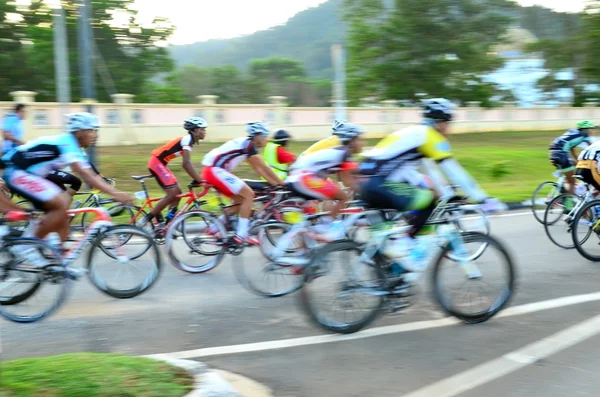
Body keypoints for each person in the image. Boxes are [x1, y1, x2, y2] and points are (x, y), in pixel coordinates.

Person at [359, 98, 504, 277]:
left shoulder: (416, 134)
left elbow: (430, 174)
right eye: (449, 123)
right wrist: (483, 199)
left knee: (420, 208)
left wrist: (447, 194)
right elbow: (453, 170)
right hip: (379, 185)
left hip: (366, 184)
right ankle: (403, 246)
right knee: (428, 201)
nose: (449, 128)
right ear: (440, 122)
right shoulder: (429, 135)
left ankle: (392, 277)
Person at [1, 112, 132, 261]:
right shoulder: (67, 143)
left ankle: (58, 259)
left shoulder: (76, 149)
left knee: (62, 209)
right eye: (91, 130)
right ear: (78, 132)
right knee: (59, 205)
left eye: (95, 130)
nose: (95, 134)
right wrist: (116, 194)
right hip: (17, 173)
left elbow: (91, 173)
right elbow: (85, 174)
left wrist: (113, 190)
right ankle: (25, 248)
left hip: (29, 175)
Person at [201, 121, 285, 245]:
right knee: (249, 195)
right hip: (215, 171)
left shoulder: (246, 145)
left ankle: (213, 229)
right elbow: (265, 167)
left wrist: (274, 184)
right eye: (265, 136)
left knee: (240, 201)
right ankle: (242, 235)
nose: (266, 140)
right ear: (258, 136)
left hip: (213, 171)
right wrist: (282, 184)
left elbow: (258, 169)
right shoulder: (248, 146)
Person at [285, 120, 363, 241]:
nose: (363, 143)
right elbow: (347, 180)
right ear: (352, 140)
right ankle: (326, 224)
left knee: (308, 222)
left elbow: (351, 171)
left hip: (297, 176)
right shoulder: (344, 152)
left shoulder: (339, 149)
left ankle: (305, 251)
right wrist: (366, 191)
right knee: (342, 196)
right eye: (360, 139)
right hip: (304, 177)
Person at [139, 117, 207, 233]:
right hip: (156, 163)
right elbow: (186, 164)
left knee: (178, 193)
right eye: (203, 129)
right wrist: (200, 180)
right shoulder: (187, 140)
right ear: (195, 130)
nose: (205, 132)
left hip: (160, 163)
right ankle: (144, 220)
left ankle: (167, 225)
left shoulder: (188, 141)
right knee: (172, 194)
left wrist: (198, 179)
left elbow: (187, 165)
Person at [549, 121, 596, 195]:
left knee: (573, 164)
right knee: (572, 182)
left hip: (553, 152)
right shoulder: (584, 135)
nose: (592, 131)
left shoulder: (573, 132)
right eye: (591, 129)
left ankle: (562, 187)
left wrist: (578, 161)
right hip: (562, 154)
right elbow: (593, 147)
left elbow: (572, 149)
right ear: (586, 129)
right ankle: (569, 204)